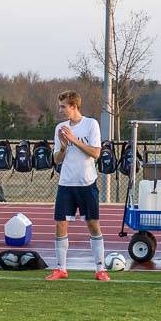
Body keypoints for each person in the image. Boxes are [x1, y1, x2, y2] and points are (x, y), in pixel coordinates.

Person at [45, 91, 108, 281]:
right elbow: (56, 159)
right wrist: (64, 146)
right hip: (66, 183)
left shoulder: (91, 124)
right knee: (60, 224)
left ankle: (100, 269)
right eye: (60, 106)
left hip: (86, 183)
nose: (61, 110)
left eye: (63, 106)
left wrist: (73, 140)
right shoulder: (60, 128)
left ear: (74, 106)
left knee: (92, 224)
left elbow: (96, 153)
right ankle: (61, 268)